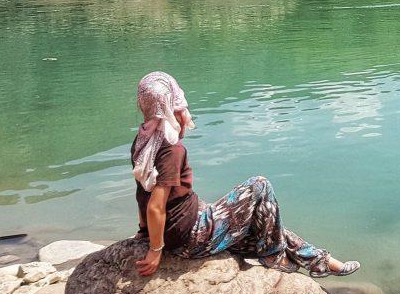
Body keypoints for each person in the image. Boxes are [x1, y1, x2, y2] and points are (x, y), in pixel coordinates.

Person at [131, 71, 360, 278]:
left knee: (265, 222)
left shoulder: (144, 140)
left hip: (181, 226)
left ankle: (322, 261)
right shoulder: (171, 149)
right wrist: (155, 250)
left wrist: (144, 231)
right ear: (170, 105)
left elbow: (143, 191)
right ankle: (274, 255)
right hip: (191, 237)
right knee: (259, 185)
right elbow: (155, 206)